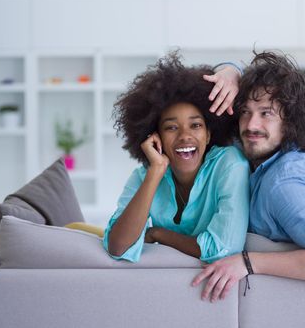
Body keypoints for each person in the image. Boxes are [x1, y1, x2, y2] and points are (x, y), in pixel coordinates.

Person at [192, 51, 305, 302]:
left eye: (266, 113)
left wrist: (246, 262)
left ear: (290, 121)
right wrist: (230, 69)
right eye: (245, 111)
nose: (251, 125)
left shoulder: (286, 186)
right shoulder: (268, 152)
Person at [103, 53, 250, 263]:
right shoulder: (145, 174)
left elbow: (223, 248)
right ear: (156, 136)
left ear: (209, 134)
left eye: (196, 125)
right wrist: (155, 172)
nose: (184, 136)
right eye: (171, 127)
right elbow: (117, 246)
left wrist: (158, 234)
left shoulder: (230, 164)